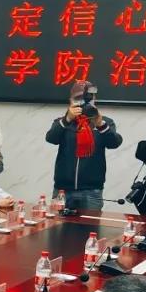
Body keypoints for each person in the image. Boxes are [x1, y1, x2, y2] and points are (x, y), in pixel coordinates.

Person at [46, 81, 123, 211]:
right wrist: (67, 119)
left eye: (88, 98)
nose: (83, 102)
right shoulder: (63, 122)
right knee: (58, 223)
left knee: (90, 223)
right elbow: (51, 138)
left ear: (94, 99)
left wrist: (100, 124)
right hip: (63, 189)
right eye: (78, 98)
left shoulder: (104, 122)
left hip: (92, 190)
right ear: (70, 100)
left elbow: (114, 143)